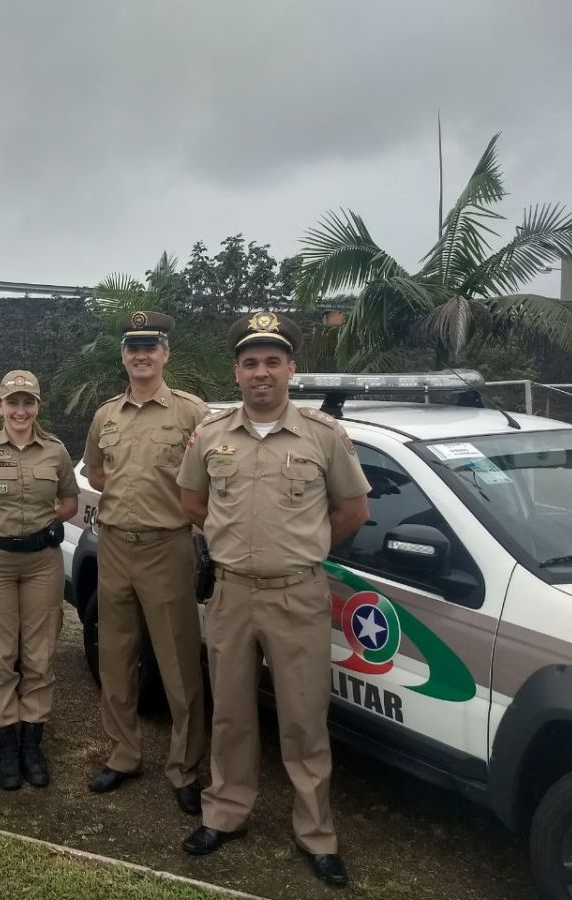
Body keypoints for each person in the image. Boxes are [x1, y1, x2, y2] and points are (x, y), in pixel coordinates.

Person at [176, 310, 370, 887]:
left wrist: (303, 549)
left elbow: (352, 510)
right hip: (232, 595)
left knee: (304, 719)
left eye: (272, 362)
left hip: (298, 597)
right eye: (250, 363)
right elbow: (191, 502)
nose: (261, 372)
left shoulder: (323, 436)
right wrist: (237, 544)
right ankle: (225, 813)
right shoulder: (211, 435)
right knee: (232, 713)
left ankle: (316, 833)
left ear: (290, 369)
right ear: (236, 373)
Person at [81, 311, 210, 816]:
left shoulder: (191, 413)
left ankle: (184, 768)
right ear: (123, 355)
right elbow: (95, 471)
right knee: (115, 657)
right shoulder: (105, 415)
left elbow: (212, 477)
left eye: (150, 345)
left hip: (166, 547)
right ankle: (124, 754)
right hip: (114, 544)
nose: (141, 354)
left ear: (165, 353)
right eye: (133, 346)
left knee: (179, 663)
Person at [0, 370, 79, 790]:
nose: (21, 410)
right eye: (13, 403)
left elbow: (68, 502)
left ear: (38, 406)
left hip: (42, 562)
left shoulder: (56, 452)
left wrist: (37, 528)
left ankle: (32, 743)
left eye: (28, 402)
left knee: (40, 655)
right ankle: (7, 744)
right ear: (0, 407)